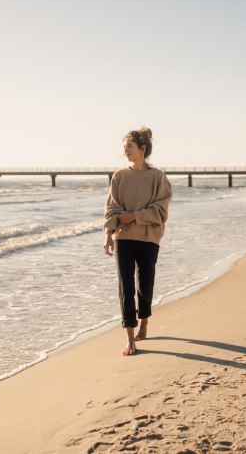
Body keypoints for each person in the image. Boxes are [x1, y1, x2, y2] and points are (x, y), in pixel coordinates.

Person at [103, 127, 172, 356]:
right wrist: (108, 235)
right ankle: (130, 339)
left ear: (142, 149)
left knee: (145, 284)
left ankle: (144, 322)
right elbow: (111, 208)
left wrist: (136, 216)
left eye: (129, 146)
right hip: (123, 237)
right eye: (124, 147)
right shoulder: (119, 177)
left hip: (149, 238)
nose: (125, 150)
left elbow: (161, 209)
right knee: (126, 287)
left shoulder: (158, 177)